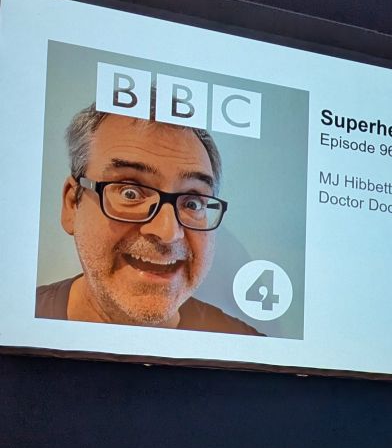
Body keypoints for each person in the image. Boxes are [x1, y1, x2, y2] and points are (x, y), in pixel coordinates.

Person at [36, 105, 261, 335]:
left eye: (192, 203)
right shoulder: (17, 321)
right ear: (73, 203)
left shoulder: (249, 350)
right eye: (130, 193)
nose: (168, 232)